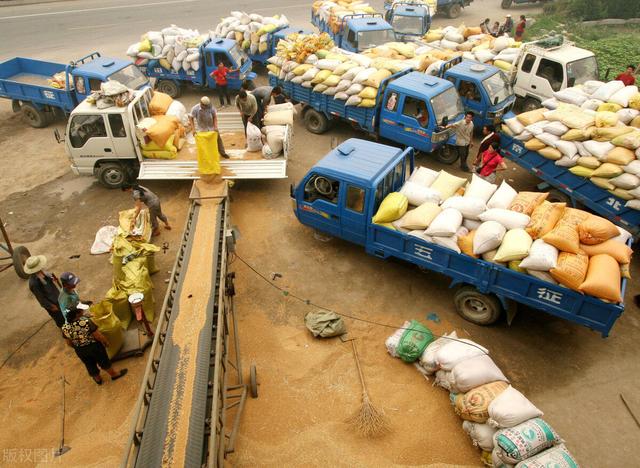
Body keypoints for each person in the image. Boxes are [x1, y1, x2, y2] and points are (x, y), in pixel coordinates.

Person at [62, 306, 128, 385]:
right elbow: (97, 335)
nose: (83, 310)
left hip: (80, 350)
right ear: (76, 315)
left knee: (89, 363)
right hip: (94, 346)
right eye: (80, 310)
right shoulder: (86, 322)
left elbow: (68, 343)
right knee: (103, 360)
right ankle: (114, 374)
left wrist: (78, 346)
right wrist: (105, 342)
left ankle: (98, 379)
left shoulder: (65, 327)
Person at [26, 255, 64, 328]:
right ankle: (64, 330)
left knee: (64, 312)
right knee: (59, 318)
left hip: (56, 296)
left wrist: (53, 279)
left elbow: (50, 279)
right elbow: (41, 299)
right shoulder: (34, 283)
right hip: (51, 302)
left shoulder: (42, 272)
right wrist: (51, 306)